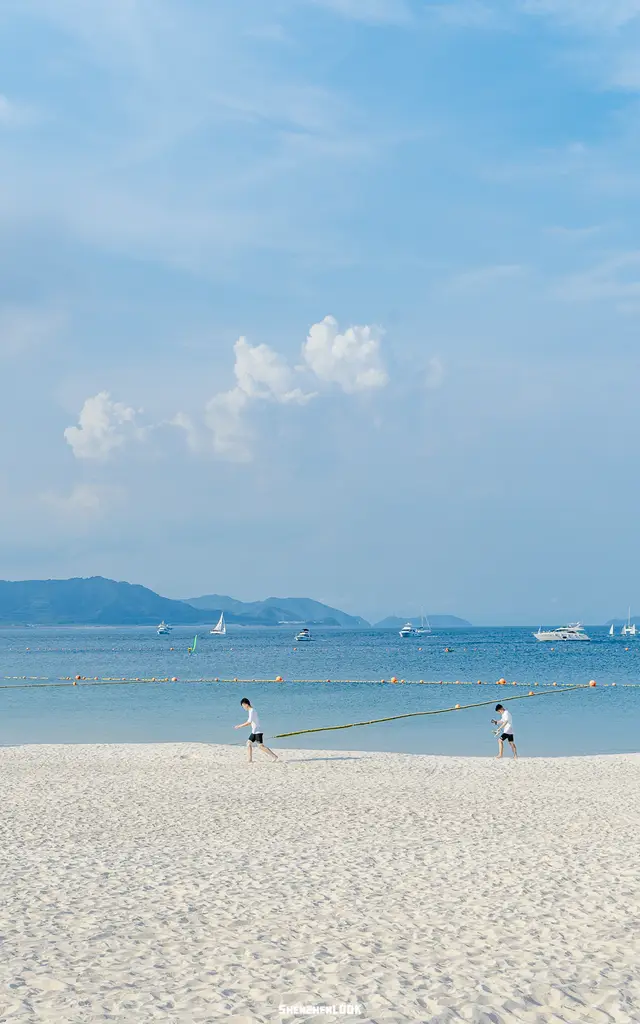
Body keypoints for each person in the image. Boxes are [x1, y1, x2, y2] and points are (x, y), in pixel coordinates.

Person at [234, 698, 278, 763]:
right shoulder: (250, 711)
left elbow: (249, 722)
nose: (243, 708)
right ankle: (250, 760)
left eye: (243, 706)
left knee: (260, 746)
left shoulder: (252, 711)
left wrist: (239, 726)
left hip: (258, 731)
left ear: (245, 704)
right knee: (248, 743)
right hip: (254, 731)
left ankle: (274, 756)